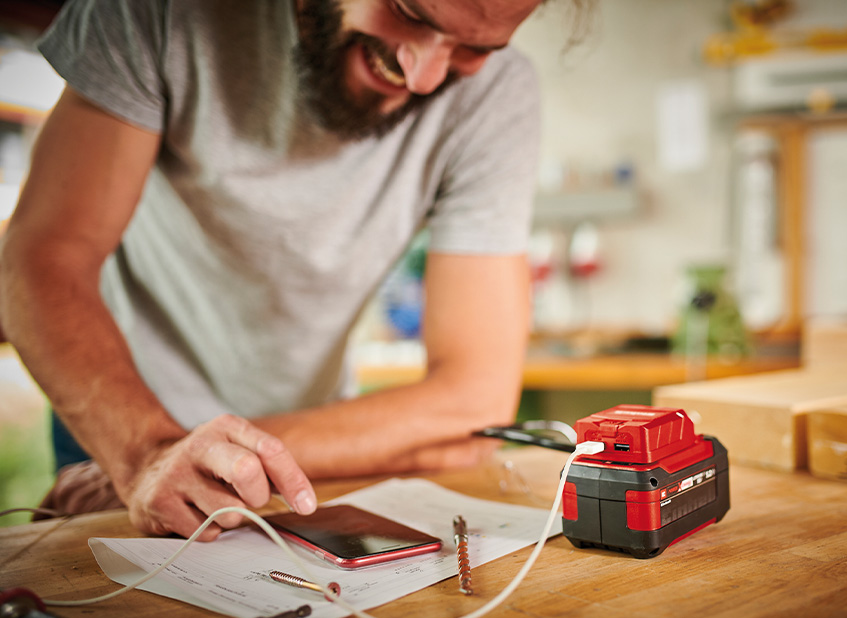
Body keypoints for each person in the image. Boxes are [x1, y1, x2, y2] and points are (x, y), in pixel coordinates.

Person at [0, 0, 551, 541]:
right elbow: (41, 259)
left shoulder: (498, 96)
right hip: (119, 420)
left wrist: (219, 462)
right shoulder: (157, 11)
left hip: (312, 452)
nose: (425, 76)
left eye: (477, 48)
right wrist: (146, 454)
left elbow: (472, 404)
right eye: (409, 14)